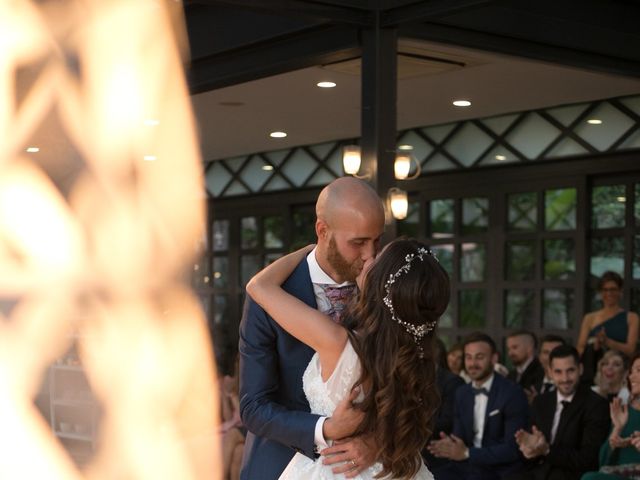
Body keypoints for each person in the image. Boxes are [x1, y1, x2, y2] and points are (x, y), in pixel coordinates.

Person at [247, 238, 450, 479]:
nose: (368, 258)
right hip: (395, 469)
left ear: (382, 282)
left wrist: (312, 248)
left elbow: (259, 286)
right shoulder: (414, 355)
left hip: (336, 469)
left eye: (378, 258)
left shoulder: (337, 342)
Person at [238, 177, 386, 480]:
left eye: (376, 241)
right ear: (323, 231)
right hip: (280, 464)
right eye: (358, 242)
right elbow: (254, 407)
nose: (370, 255)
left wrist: (380, 441)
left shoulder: (386, 290)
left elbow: (412, 386)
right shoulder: (270, 295)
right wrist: (326, 428)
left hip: (366, 468)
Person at [427, 332, 529, 480]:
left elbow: (512, 449)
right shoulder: (462, 393)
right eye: (468, 357)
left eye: (479, 357)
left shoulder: (512, 393)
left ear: (494, 359)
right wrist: (450, 446)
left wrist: (468, 453)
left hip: (500, 470)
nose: (473, 363)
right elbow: (459, 438)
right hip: (466, 467)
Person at [513, 345, 610, 480]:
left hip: (573, 476)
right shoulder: (541, 402)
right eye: (558, 372)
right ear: (550, 373)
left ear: (580, 369)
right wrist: (529, 449)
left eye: (570, 371)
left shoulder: (596, 405)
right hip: (538, 473)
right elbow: (531, 452)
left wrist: (546, 449)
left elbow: (589, 459)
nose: (565, 378)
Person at [582, 352, 640, 479]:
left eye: (639, 371)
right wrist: (617, 429)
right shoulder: (624, 412)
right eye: (632, 371)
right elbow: (603, 462)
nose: (632, 376)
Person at [577, 271, 639, 383]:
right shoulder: (589, 318)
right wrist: (593, 346)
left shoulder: (631, 318)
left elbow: (631, 350)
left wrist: (608, 341)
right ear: (600, 293)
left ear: (620, 291)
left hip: (622, 376)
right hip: (594, 375)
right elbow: (580, 349)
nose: (609, 293)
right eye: (605, 290)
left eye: (613, 289)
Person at [423, 339, 465, 474]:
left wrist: (411, 429)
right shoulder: (409, 380)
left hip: (439, 455)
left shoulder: (453, 381)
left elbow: (448, 420)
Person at [506, 330, 544, 399]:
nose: (510, 353)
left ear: (529, 348)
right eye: (508, 349)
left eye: (515, 347)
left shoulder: (542, 372)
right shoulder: (510, 375)